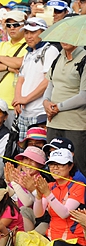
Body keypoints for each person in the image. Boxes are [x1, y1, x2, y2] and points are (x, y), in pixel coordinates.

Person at [34, 149, 86, 246]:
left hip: (74, 241)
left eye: (60, 164)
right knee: (23, 237)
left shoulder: (78, 186)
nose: (55, 168)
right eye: (52, 165)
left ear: (70, 166)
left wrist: (47, 194)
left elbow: (65, 213)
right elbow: (38, 214)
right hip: (51, 237)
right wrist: (38, 195)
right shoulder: (50, 186)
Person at [43, 41, 86, 176]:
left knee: (77, 168)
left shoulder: (84, 58)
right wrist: (46, 103)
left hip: (75, 125)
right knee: (53, 168)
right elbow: (50, 85)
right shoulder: (58, 57)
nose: (65, 40)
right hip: (53, 122)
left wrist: (58, 107)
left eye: (70, 36)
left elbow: (84, 96)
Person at [12, 18, 59, 141]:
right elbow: (21, 78)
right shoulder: (28, 52)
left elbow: (47, 81)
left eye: (33, 32)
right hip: (24, 113)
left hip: (39, 113)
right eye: (26, 32)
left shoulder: (50, 51)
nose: (28, 36)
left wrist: (25, 99)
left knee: (38, 152)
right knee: (23, 153)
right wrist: (18, 99)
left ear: (43, 32)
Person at [0, 10, 27, 128]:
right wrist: (7, 67)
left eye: (16, 25)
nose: (12, 28)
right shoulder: (3, 45)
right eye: (8, 25)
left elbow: (20, 62)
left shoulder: (28, 45)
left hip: (18, 105)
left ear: (24, 25)